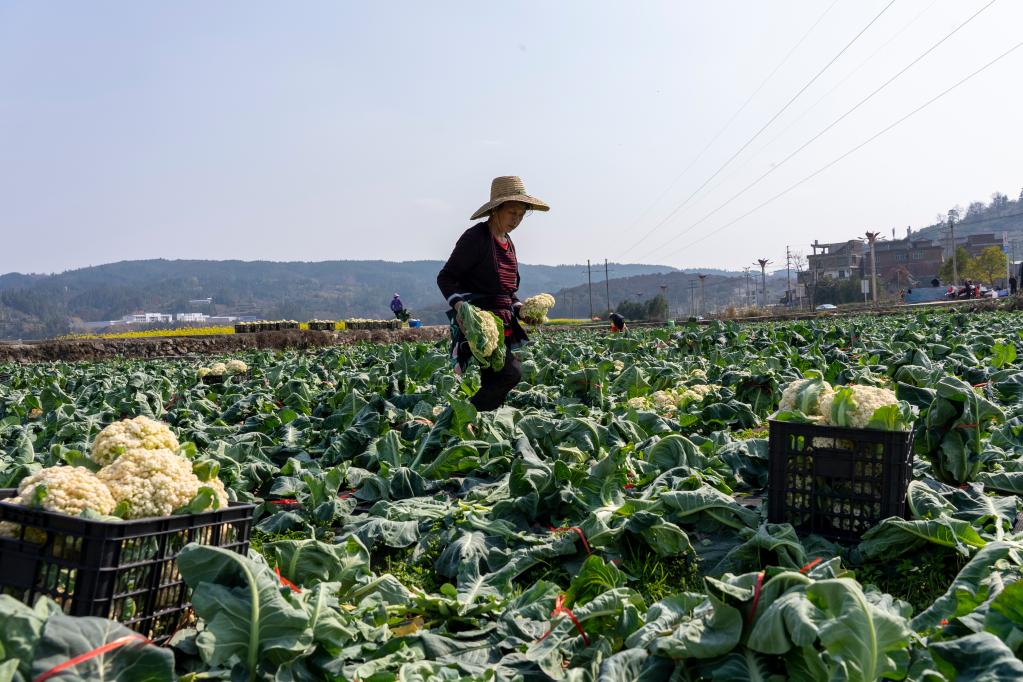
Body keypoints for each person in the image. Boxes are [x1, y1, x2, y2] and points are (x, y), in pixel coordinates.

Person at [437, 176, 549, 411]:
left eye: (521, 214)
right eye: (512, 213)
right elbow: (446, 277)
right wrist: (460, 307)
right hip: (480, 326)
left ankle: (480, 429)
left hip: (504, 324)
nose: (516, 220)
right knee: (511, 373)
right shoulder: (475, 238)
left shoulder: (508, 242)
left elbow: (508, 294)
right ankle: (454, 419)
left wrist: (521, 310)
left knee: (495, 381)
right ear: (496, 210)